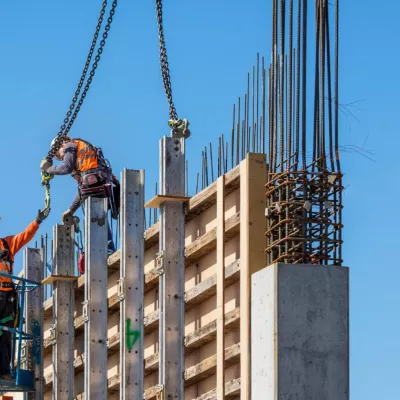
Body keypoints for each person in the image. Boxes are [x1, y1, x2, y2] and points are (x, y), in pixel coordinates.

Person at [40, 136, 119, 254]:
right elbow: (81, 189)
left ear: (60, 145)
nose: (62, 157)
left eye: (58, 155)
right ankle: (107, 247)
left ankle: (107, 249)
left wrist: (49, 169)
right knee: (97, 215)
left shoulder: (69, 145)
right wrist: (71, 210)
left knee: (95, 216)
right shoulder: (82, 162)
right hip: (97, 182)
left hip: (95, 182)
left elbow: (66, 167)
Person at [0, 209, 49, 380]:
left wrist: (37, 222)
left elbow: (24, 236)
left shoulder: (6, 244)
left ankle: (4, 371)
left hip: (7, 297)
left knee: (7, 334)